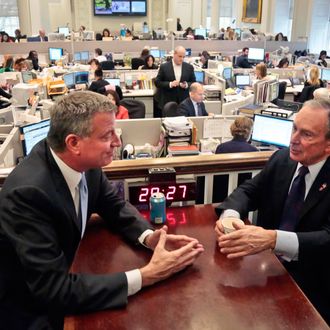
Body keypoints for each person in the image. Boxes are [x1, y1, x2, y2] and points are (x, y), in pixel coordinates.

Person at [0, 91, 204, 329]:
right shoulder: (28, 194)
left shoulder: (84, 163)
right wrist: (146, 275)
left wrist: (149, 237)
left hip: (70, 275)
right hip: (31, 310)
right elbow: (54, 290)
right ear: (74, 143)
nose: (117, 142)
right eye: (108, 135)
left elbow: (114, 206)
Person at [214, 99, 330, 325]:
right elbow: (248, 191)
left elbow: (327, 238)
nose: (293, 140)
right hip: (267, 271)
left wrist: (272, 239)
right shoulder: (281, 159)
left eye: (306, 134)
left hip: (314, 284)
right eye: (294, 128)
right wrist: (230, 217)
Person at [155, 45, 196, 110]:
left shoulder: (189, 67)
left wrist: (186, 85)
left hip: (184, 102)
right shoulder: (164, 67)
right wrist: (170, 84)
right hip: (168, 102)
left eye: (183, 57)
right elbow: (157, 82)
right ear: (174, 54)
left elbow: (193, 83)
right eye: (180, 56)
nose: (182, 59)